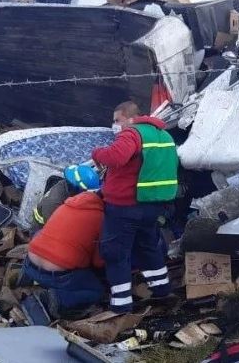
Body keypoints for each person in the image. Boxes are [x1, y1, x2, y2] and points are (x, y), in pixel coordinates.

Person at [92, 101, 178, 314]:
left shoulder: (131, 133)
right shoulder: (163, 136)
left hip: (124, 206)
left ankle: (121, 306)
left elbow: (115, 157)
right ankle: (162, 291)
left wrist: (97, 153)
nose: (115, 125)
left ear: (130, 118)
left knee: (116, 253)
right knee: (148, 247)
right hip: (151, 206)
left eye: (116, 120)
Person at [20, 174, 106, 318]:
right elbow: (98, 262)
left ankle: (28, 276)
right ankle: (58, 299)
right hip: (56, 274)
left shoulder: (64, 206)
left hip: (30, 260)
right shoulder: (101, 218)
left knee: (46, 237)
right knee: (96, 290)